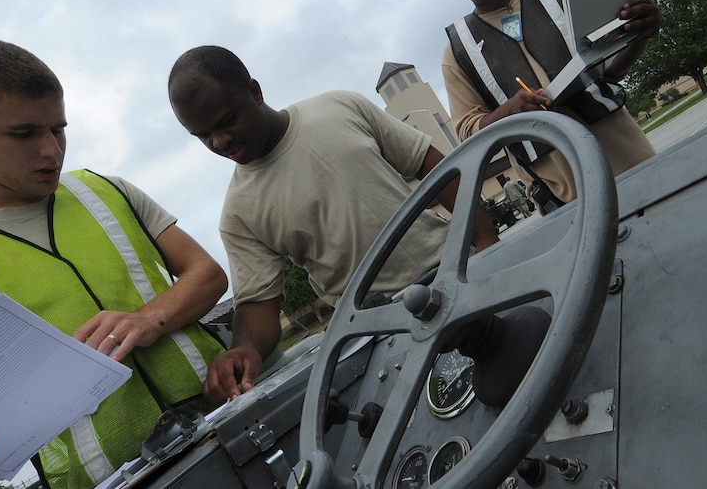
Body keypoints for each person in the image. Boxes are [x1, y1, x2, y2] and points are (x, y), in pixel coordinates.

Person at [0, 40, 227, 489]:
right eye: (24, 134)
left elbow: (208, 274)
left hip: (228, 421)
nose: (51, 151)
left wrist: (149, 319)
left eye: (58, 129)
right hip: (108, 480)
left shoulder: (107, 191)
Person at [167, 45, 499, 404]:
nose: (219, 142)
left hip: (458, 275)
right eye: (203, 136)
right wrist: (245, 349)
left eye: (227, 120)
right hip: (381, 330)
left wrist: (487, 243)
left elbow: (435, 168)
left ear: (254, 91)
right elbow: (259, 304)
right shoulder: (238, 213)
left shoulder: (339, 108)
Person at [442, 0, 657, 208]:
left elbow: (609, 71)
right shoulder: (458, 51)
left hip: (632, 160)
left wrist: (639, 35)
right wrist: (507, 112)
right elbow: (469, 132)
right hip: (569, 200)